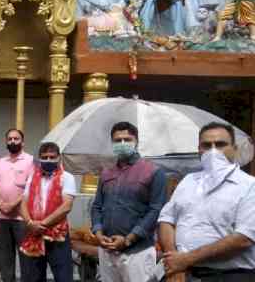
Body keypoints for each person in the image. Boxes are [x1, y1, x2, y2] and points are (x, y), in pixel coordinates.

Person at [158, 122, 255, 282]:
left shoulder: (249, 185)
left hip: (228, 276)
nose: (213, 151)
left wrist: (186, 259)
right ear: (199, 150)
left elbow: (243, 238)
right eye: (206, 145)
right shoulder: (188, 181)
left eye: (220, 144)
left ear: (235, 149)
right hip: (182, 273)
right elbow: (166, 220)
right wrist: (174, 258)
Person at [91, 121, 167, 282]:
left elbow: (155, 211)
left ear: (136, 141)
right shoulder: (106, 173)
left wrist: (128, 239)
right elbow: (97, 206)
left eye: (127, 139)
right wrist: (98, 233)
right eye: (117, 140)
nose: (122, 143)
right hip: (106, 249)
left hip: (138, 251)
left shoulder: (153, 172)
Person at [19, 142, 76, 282]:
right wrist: (30, 223)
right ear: (39, 158)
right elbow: (23, 202)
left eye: (52, 157)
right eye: (45, 157)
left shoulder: (67, 177)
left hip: (57, 235)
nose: (48, 160)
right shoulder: (33, 177)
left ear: (59, 158)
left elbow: (66, 206)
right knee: (34, 277)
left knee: (63, 276)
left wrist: (42, 224)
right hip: (34, 234)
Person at [0, 128, 34, 282]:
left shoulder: (30, 161)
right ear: (6, 142)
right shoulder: (1, 162)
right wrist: (2, 203)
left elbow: (31, 189)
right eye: (9, 139)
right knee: (5, 255)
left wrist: (13, 205)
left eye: (16, 139)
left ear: (23, 141)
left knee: (26, 255)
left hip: (22, 218)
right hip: (2, 217)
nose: (13, 141)